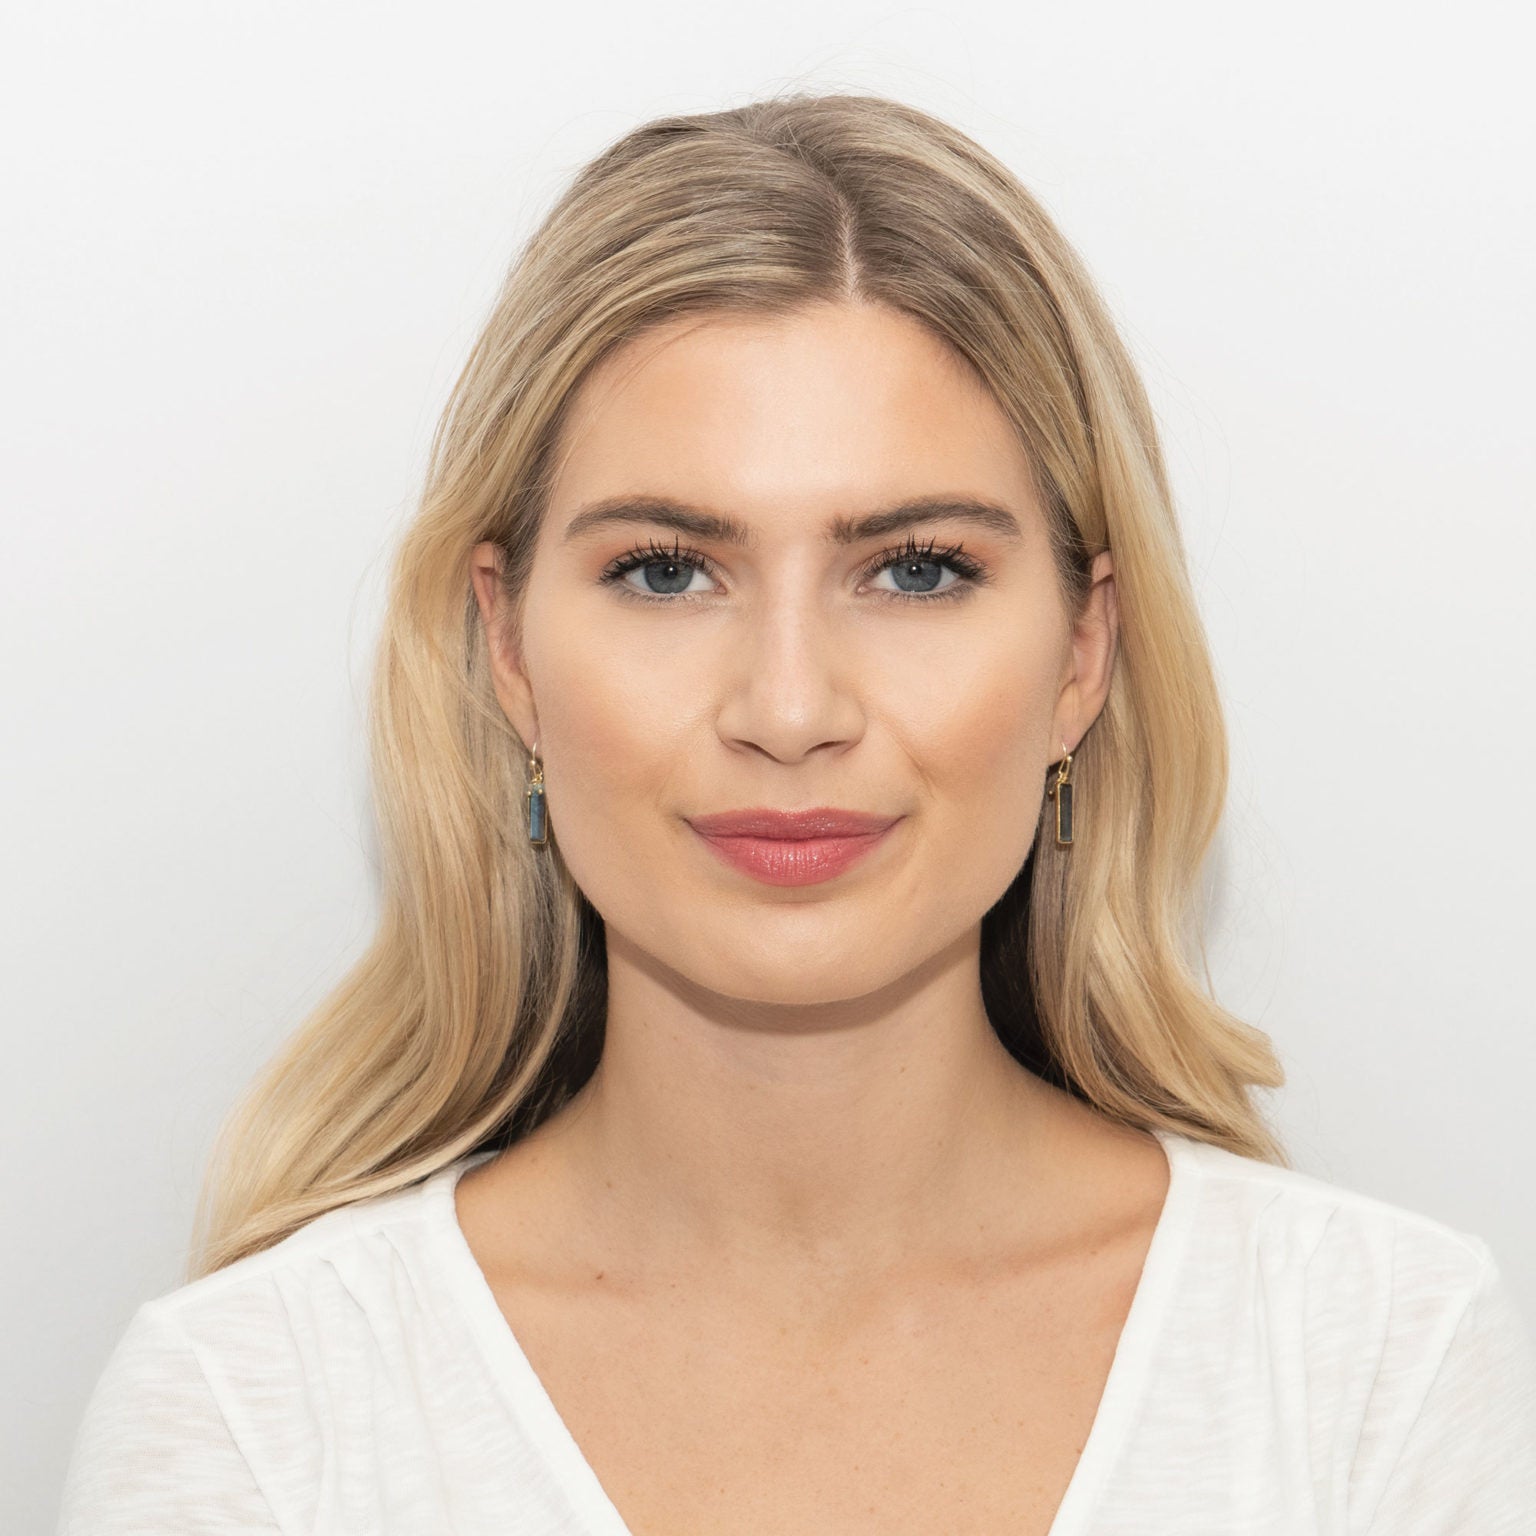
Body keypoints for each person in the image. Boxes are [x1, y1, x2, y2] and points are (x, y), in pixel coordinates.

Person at [57, 91, 1536, 1535]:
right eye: (665, 572)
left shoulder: (1375, 1370)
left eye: (915, 570)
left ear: (1083, 653)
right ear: (507, 648)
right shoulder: (255, 1418)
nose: (787, 706)